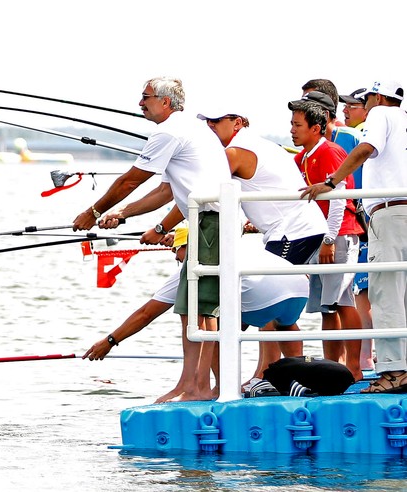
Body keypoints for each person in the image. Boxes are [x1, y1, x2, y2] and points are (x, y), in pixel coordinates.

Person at [73, 76, 231, 401]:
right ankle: (194, 384)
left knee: (199, 310)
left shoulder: (168, 131)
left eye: (145, 97)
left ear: (165, 102)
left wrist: (93, 210)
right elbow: (166, 190)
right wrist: (124, 214)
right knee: (192, 309)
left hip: (210, 222)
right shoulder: (191, 128)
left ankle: (197, 387)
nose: (140, 103)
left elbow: (131, 180)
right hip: (209, 221)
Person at [83, 228, 309, 402]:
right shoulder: (237, 245)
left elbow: (145, 314)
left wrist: (111, 341)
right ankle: (297, 379)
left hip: (263, 299)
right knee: (284, 322)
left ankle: (218, 386)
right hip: (298, 289)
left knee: (208, 315)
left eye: (176, 251)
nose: (175, 258)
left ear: (190, 246)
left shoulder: (195, 265)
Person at [196, 106, 327, 378]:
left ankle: (266, 373)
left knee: (273, 301)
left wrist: (165, 226)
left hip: (292, 230)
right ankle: (291, 372)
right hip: (293, 228)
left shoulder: (234, 153)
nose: (210, 126)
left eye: (217, 120)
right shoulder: (260, 145)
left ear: (238, 122)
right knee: (280, 308)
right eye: (207, 121)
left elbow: (203, 192)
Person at [300, 79, 407, 393]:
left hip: (390, 212)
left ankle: (393, 373)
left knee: (386, 293)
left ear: (376, 97)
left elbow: (366, 148)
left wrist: (332, 182)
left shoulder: (381, 115)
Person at [290, 95, 365, 381]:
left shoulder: (330, 151)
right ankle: (333, 369)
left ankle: (354, 368)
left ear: (316, 128)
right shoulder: (302, 157)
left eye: (298, 125)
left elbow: (338, 198)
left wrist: (330, 240)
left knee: (343, 301)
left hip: (339, 234)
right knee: (327, 306)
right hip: (320, 236)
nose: (293, 130)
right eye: (292, 124)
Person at [340, 87, 375, 371]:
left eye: (353, 105)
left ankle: (364, 359)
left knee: (363, 293)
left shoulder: (358, 137)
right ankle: (367, 357)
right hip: (367, 222)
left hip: (365, 223)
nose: (346, 109)